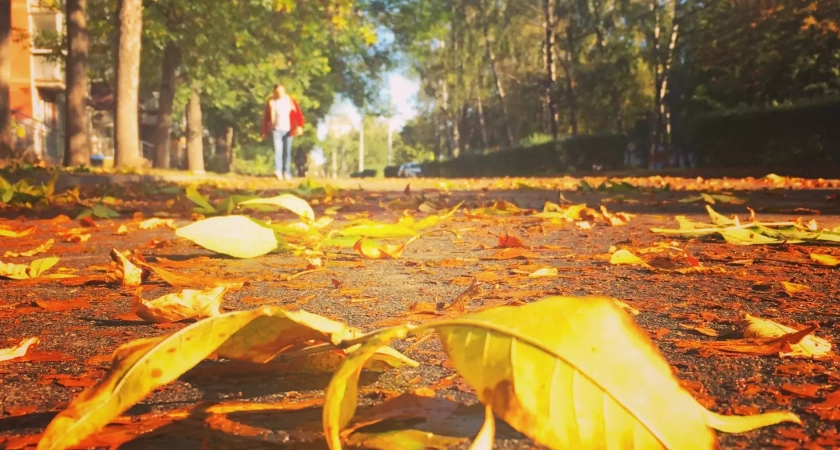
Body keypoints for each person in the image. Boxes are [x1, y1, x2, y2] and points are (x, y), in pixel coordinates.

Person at [261, 84, 304, 180]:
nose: (279, 93)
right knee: (278, 150)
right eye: (277, 92)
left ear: (284, 91)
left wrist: (300, 126)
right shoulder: (271, 102)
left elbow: (298, 114)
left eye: (281, 91)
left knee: (287, 152)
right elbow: (266, 118)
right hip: (276, 129)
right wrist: (264, 131)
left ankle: (286, 172)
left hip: (289, 130)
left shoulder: (290, 101)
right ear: (274, 92)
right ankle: (278, 171)